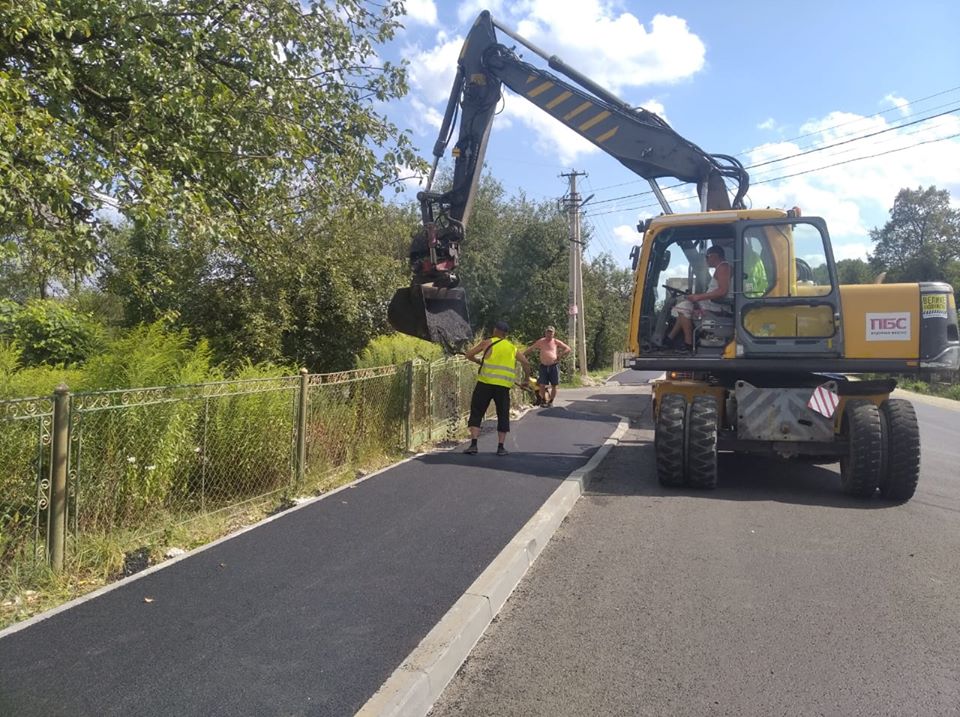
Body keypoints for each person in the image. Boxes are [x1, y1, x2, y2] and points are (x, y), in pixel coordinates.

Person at [463, 320, 531, 456]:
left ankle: (474, 445)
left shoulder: (487, 343)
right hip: (503, 387)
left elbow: (469, 355)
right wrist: (526, 379)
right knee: (503, 414)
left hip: (485, 383)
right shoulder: (512, 348)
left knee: (477, 412)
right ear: (506, 334)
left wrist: (478, 361)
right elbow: (525, 362)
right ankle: (500, 447)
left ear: (495, 330)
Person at [665, 244, 733, 351]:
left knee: (682, 306)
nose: (706, 260)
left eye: (707, 257)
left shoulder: (723, 267)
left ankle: (688, 343)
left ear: (714, 256)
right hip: (714, 303)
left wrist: (698, 297)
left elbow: (722, 291)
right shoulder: (722, 267)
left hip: (718, 305)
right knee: (683, 308)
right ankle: (669, 339)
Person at [522, 326, 571, 407]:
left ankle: (551, 401)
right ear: (545, 333)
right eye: (548, 332)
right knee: (542, 384)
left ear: (553, 333)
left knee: (554, 384)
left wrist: (560, 355)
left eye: (551, 332)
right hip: (544, 366)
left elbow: (568, 348)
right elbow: (531, 348)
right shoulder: (541, 341)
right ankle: (543, 400)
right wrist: (522, 354)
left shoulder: (555, 341)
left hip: (553, 365)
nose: (549, 334)